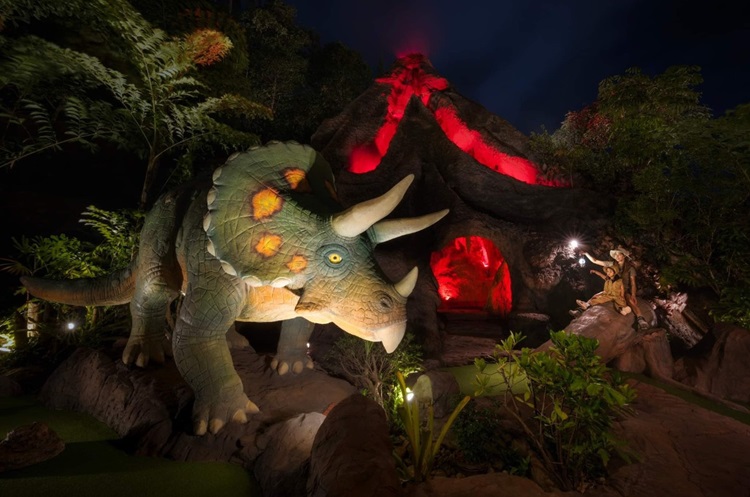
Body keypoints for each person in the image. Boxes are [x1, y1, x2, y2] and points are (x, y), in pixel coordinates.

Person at [583, 247, 649, 330]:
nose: (617, 256)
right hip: (612, 287)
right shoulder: (612, 264)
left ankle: (640, 319)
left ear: (624, 256)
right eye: (616, 255)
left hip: (624, 288)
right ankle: (583, 307)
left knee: (630, 301)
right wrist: (586, 254)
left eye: (619, 254)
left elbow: (633, 283)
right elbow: (595, 261)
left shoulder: (630, 268)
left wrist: (633, 294)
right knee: (596, 295)